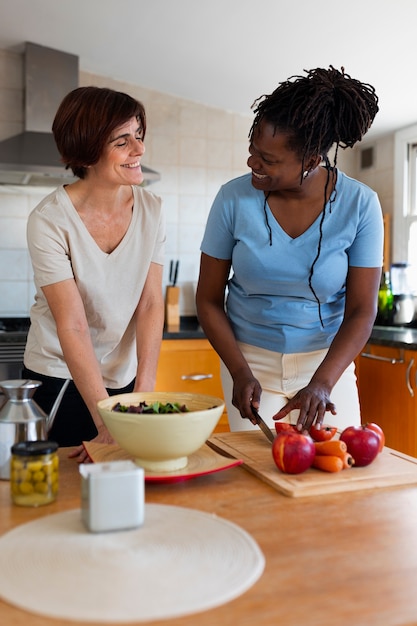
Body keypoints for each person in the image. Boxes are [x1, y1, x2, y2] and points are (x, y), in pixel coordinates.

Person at [196, 66, 383, 434]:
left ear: (311, 161)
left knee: (335, 471)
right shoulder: (232, 199)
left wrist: (323, 382)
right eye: (253, 151)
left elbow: (362, 310)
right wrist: (240, 371)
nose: (253, 163)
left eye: (268, 159)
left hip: (327, 363)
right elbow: (208, 299)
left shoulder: (360, 204)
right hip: (247, 360)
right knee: (261, 478)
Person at [22, 86, 165, 462]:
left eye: (139, 135)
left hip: (125, 378)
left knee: (124, 478)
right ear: (87, 149)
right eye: (123, 141)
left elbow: (150, 304)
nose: (139, 149)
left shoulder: (152, 209)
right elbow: (73, 325)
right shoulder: (49, 220)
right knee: (65, 489)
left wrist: (143, 397)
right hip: (60, 377)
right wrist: (106, 418)